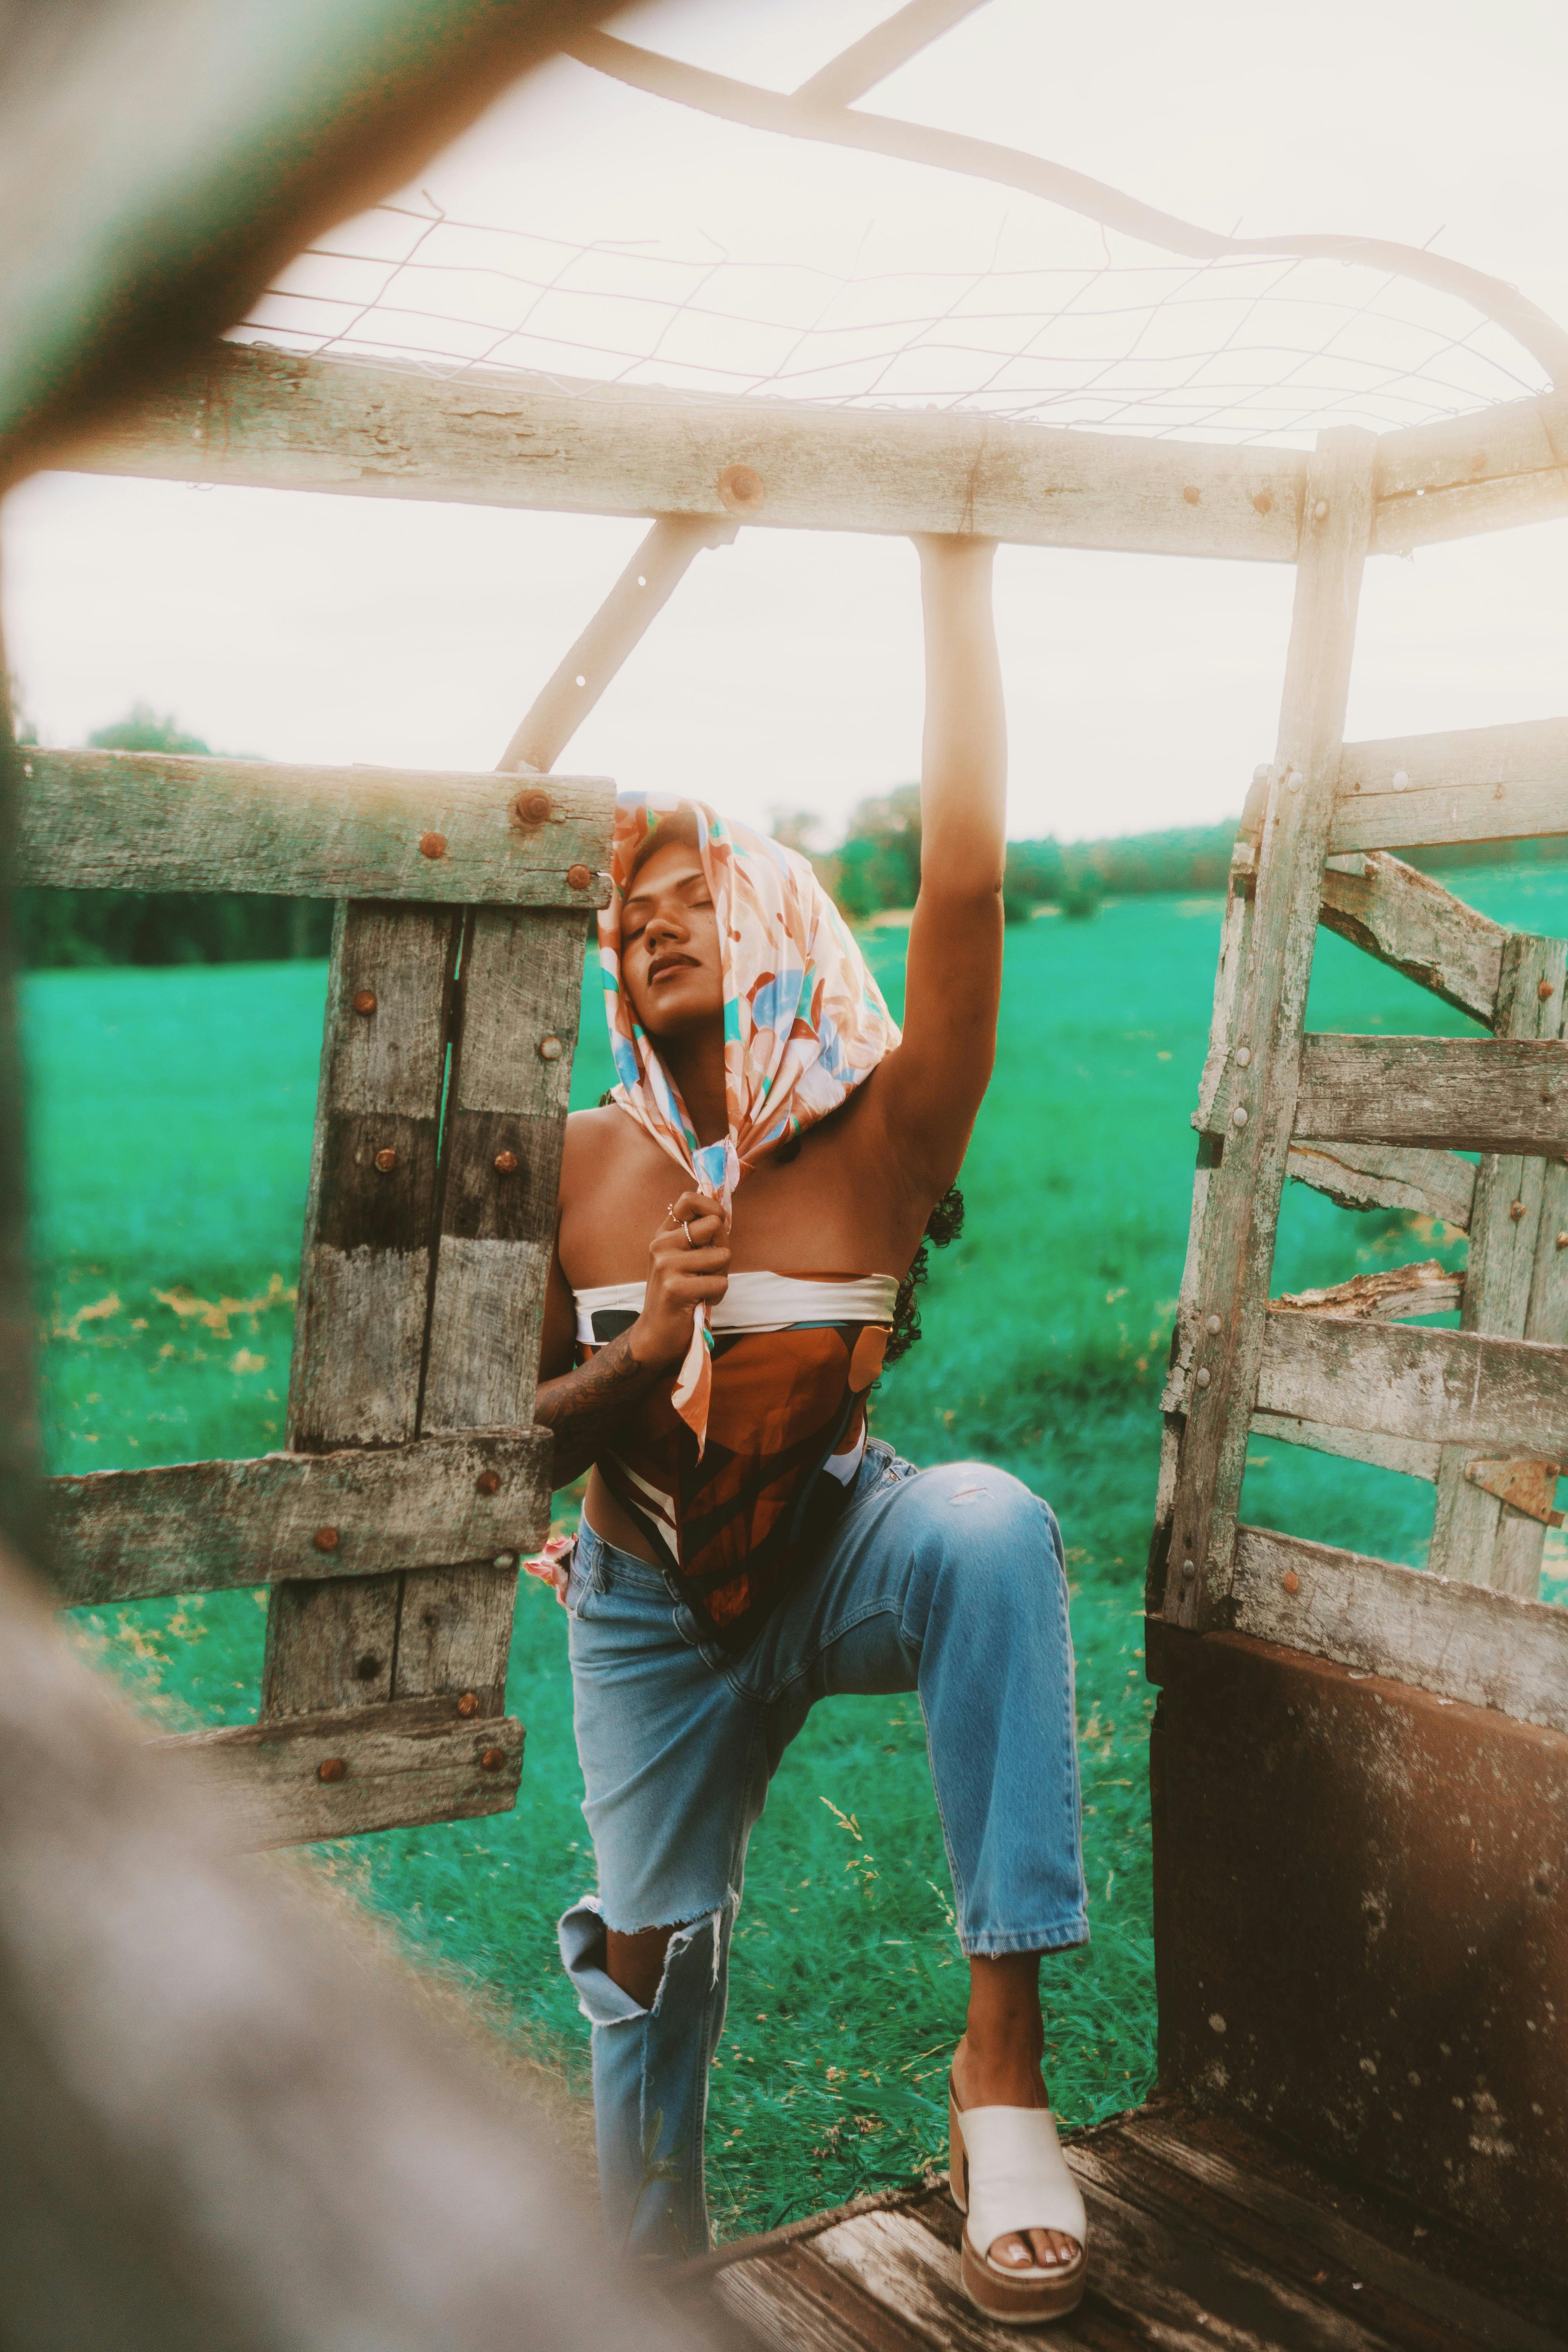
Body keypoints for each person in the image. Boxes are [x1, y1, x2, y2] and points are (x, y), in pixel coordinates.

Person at [534, 536, 1088, 2322]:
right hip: (638, 1598)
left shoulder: (882, 1134)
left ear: (768, 904)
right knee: (651, 1951)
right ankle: (647, 2258)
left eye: (691, 880)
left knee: (994, 1525)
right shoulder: (583, 1165)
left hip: (839, 1546)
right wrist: (652, 1349)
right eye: (626, 904)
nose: (654, 914)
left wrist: (956, 573)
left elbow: (970, 886)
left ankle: (1000, 2078)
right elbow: (508, 1447)